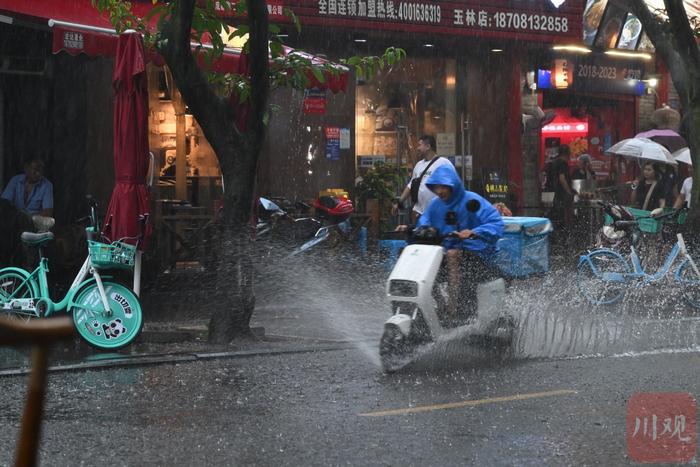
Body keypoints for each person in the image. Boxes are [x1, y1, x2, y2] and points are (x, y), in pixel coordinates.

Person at [416, 165, 504, 323]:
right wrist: (416, 230)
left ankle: (454, 309)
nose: (440, 191)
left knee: (452, 254)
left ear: (453, 185)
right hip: (449, 252)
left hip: (478, 254)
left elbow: (496, 223)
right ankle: (441, 307)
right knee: (424, 264)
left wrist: (474, 232)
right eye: (437, 187)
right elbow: (424, 222)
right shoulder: (435, 204)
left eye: (444, 187)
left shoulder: (472, 200)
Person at [391, 135, 454, 222]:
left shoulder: (443, 163)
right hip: (419, 211)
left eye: (420, 145)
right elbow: (410, 185)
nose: (418, 148)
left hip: (438, 212)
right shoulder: (419, 165)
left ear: (428, 146)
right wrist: (399, 202)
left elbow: (452, 184)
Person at [551, 145, 576, 238]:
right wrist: (569, 191)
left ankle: (560, 237)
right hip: (563, 195)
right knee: (566, 217)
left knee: (559, 217)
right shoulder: (563, 163)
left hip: (557, 193)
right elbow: (562, 178)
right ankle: (566, 237)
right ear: (567, 154)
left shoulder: (555, 162)